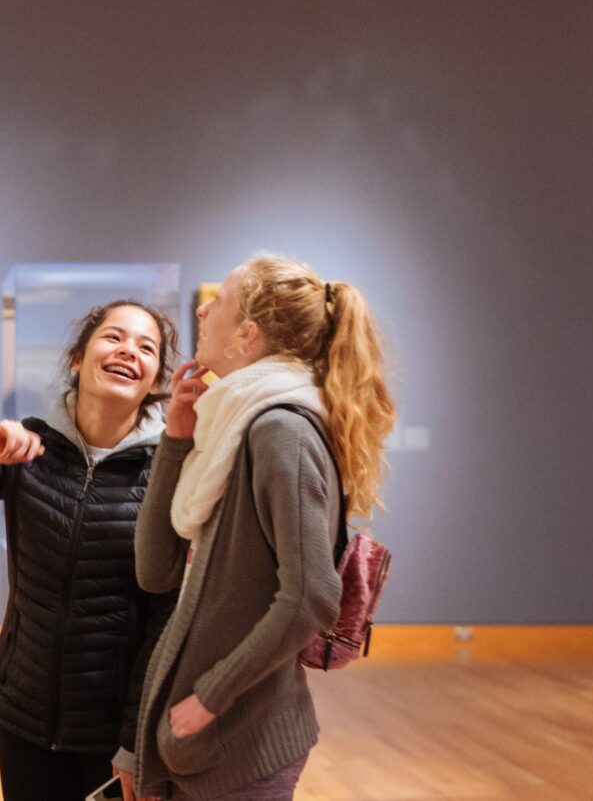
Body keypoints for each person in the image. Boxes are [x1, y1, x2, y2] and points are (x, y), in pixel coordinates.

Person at [0, 300, 182, 801]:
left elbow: (166, 620)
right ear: (77, 358)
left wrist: (136, 740)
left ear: (154, 381)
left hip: (111, 732)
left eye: (146, 346)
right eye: (113, 337)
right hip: (23, 715)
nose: (128, 350)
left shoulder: (169, 472)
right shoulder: (29, 448)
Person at [130, 253, 396, 800]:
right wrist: (177, 439)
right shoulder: (229, 429)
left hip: (240, 742)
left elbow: (311, 599)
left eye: (219, 302)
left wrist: (209, 696)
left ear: (247, 334)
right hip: (200, 743)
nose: (203, 310)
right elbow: (155, 571)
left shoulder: (281, 432)